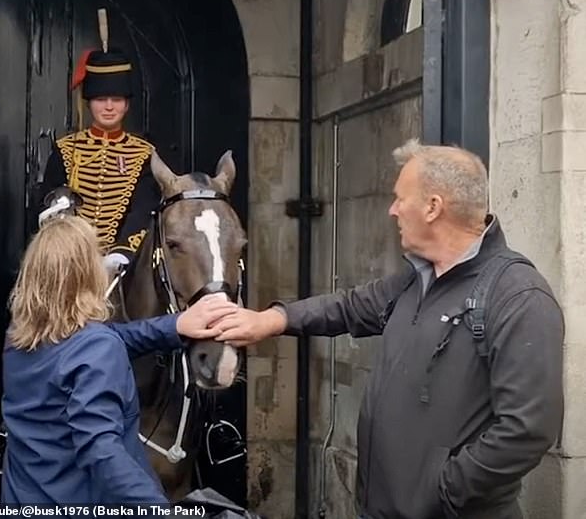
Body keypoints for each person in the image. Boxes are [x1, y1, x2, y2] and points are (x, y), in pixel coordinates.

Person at [213, 140, 564, 519]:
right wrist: (269, 320)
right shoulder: (418, 281)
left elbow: (528, 429)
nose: (392, 209)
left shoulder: (518, 296)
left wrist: (444, 491)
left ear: (433, 207)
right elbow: (348, 307)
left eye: (400, 198)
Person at [1, 215, 237, 507]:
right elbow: (101, 451)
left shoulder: (17, 338)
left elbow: (107, 338)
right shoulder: (97, 346)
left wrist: (176, 326)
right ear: (88, 274)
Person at [39, 44, 161, 273]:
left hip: (122, 264)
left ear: (126, 104)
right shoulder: (65, 150)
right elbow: (44, 204)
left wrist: (122, 251)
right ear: (89, 102)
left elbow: (143, 209)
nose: (108, 107)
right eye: (100, 99)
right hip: (69, 261)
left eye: (116, 99)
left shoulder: (144, 154)